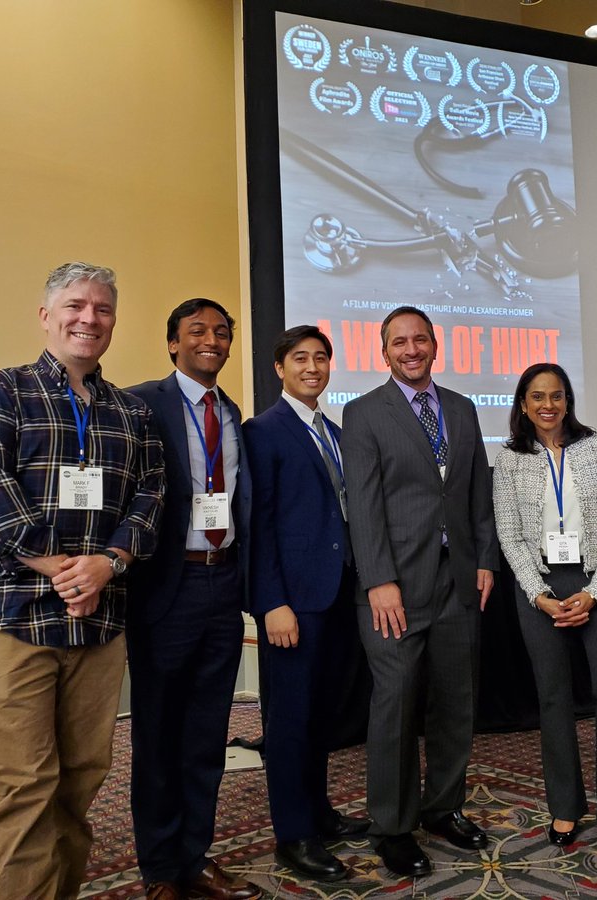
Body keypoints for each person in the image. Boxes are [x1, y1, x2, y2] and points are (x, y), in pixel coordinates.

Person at [0, 261, 165, 900]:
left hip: (98, 621)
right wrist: (58, 565)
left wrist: (108, 564)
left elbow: (151, 497)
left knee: (78, 782)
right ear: (47, 316)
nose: (88, 319)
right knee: (19, 788)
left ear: (114, 323)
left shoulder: (131, 412)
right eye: (75, 306)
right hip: (9, 616)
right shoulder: (0, 391)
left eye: (101, 310)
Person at [341, 306, 499, 878]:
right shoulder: (362, 414)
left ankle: (442, 808)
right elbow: (363, 505)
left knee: (456, 702)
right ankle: (392, 825)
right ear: (383, 352)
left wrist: (485, 560)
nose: (411, 350)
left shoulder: (461, 407)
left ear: (436, 345)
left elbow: (478, 489)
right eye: (398, 342)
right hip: (395, 589)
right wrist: (378, 580)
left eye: (420, 340)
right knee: (396, 706)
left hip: (458, 581)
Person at [124, 298, 261, 900]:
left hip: (222, 583)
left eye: (222, 332)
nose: (212, 340)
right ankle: (160, 869)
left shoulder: (232, 414)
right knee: (159, 733)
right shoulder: (138, 403)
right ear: (172, 343)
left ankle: (195, 855)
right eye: (197, 331)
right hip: (165, 586)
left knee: (208, 733)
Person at [491, 362, 597, 852]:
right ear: (523, 405)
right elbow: (508, 535)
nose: (547, 405)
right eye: (536, 397)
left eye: (556, 396)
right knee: (553, 699)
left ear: (568, 400)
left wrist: (596, 592)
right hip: (541, 588)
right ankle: (565, 809)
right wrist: (539, 596)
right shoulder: (509, 459)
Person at [242, 325, 370, 882]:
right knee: (289, 720)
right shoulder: (262, 432)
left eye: (321, 358)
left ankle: (318, 813)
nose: (313, 367)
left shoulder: (335, 433)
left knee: (320, 715)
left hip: (337, 595)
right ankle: (293, 836)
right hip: (292, 603)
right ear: (280, 368)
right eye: (301, 359)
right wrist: (271, 602)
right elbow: (257, 525)